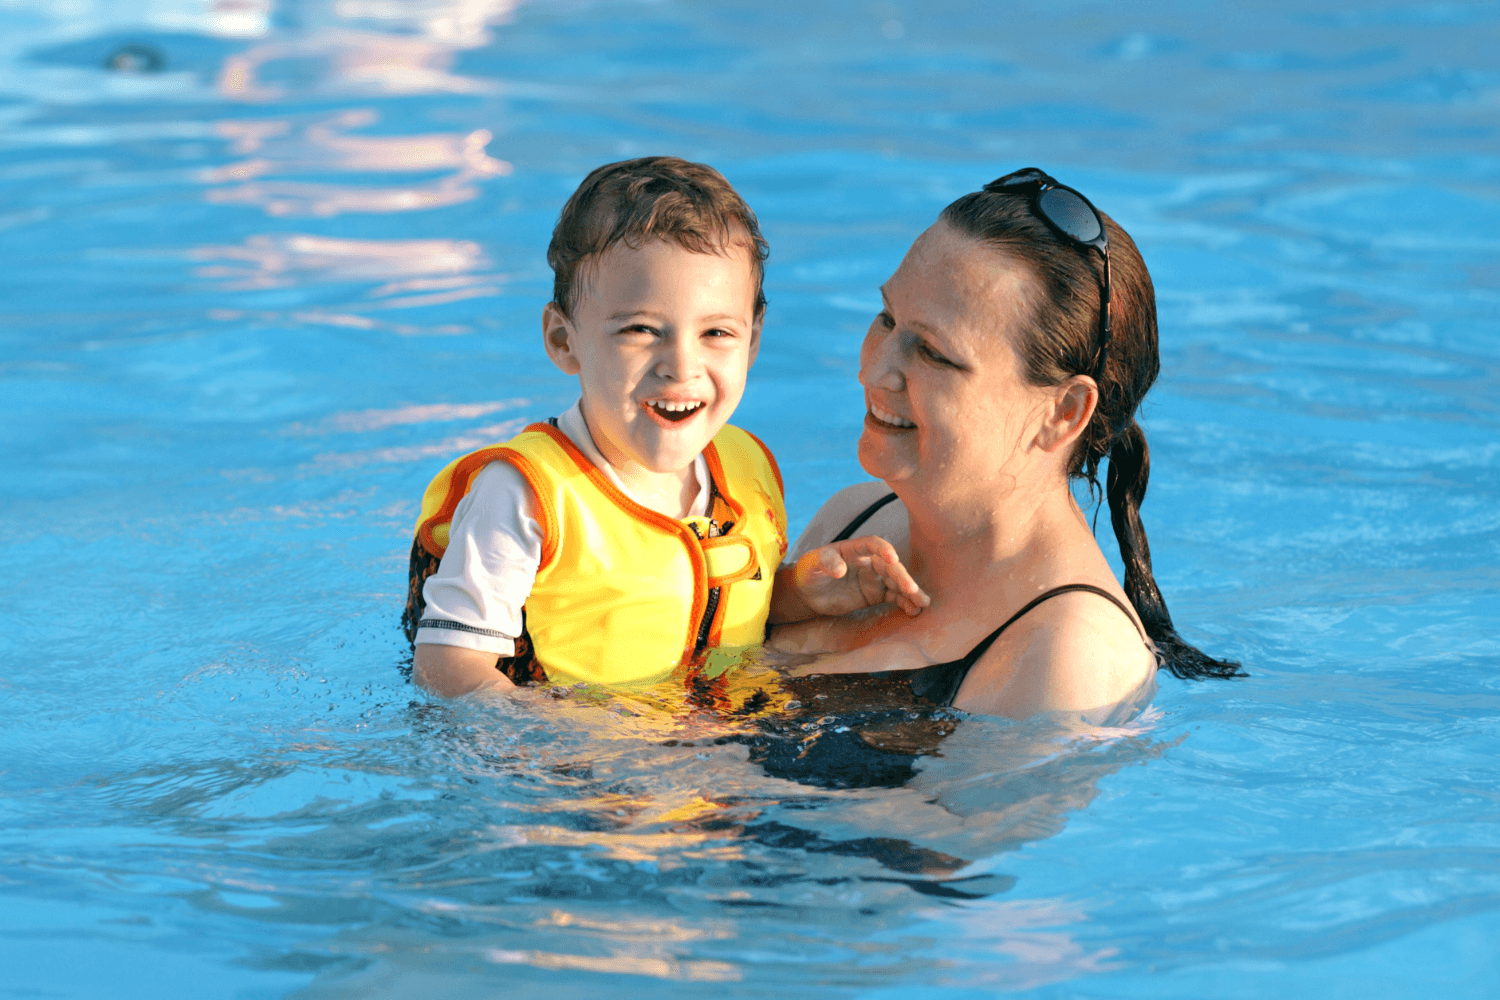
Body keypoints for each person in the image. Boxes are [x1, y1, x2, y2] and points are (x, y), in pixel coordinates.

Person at [403, 157, 927, 698]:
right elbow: (446, 668)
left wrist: (802, 593)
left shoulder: (745, 467)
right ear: (564, 341)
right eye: (641, 330)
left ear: (752, 341)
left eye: (716, 333)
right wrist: (567, 751)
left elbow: (711, 608)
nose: (681, 365)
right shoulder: (525, 497)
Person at [769, 167, 1242, 720]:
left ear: (1063, 413)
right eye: (887, 317)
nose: (874, 371)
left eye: (935, 354)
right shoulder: (854, 520)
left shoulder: (1066, 656)